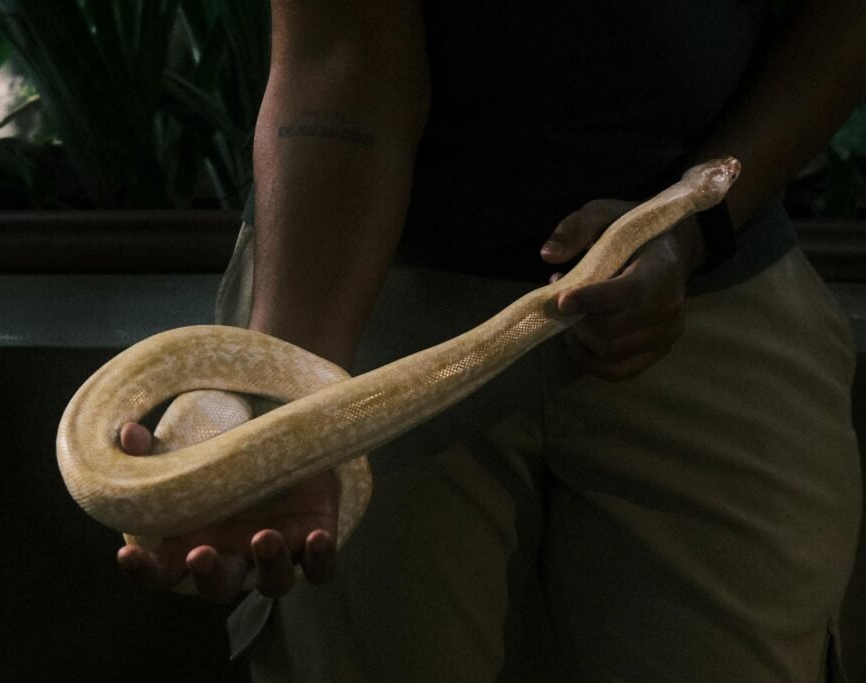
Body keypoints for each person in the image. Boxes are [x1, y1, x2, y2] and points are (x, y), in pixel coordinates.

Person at [116, 1, 866, 679]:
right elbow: (344, 57)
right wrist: (287, 416)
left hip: (722, 296)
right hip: (373, 282)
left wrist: (699, 222)